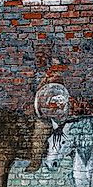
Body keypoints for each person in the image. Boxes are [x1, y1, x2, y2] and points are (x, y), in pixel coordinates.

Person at [25, 45, 68, 173]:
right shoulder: (35, 74)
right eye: (37, 56)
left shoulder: (55, 76)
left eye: (43, 56)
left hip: (51, 113)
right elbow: (31, 93)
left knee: (40, 130)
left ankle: (36, 161)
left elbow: (57, 95)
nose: (40, 59)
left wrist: (46, 79)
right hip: (36, 109)